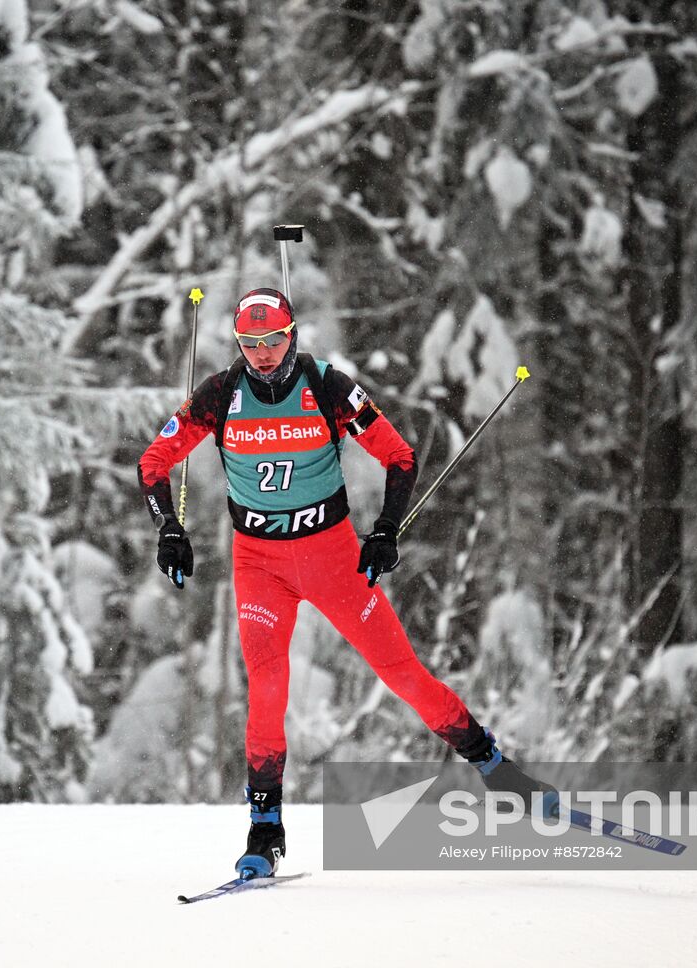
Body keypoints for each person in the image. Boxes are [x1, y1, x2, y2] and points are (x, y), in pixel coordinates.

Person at [137, 287, 552, 878]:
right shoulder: (221, 394)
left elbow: (400, 457)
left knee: (402, 672)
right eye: (249, 344)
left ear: (293, 335)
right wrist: (169, 529)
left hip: (332, 558)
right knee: (268, 689)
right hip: (259, 565)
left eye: (273, 341)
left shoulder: (326, 385)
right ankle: (264, 832)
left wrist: (385, 530)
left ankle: (497, 770)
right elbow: (154, 462)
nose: (261, 354)